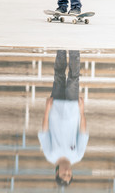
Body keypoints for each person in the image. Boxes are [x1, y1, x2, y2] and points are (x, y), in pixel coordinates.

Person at [38, 50, 89, 186]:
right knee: (74, 78)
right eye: (69, 174)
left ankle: (60, 50)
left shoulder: (50, 155)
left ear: (57, 173)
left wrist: (47, 110)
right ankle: (74, 51)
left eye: (63, 174)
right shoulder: (77, 156)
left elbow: (44, 132)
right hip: (73, 109)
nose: (67, 172)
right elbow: (83, 133)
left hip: (55, 108)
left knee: (59, 77)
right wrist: (82, 111)